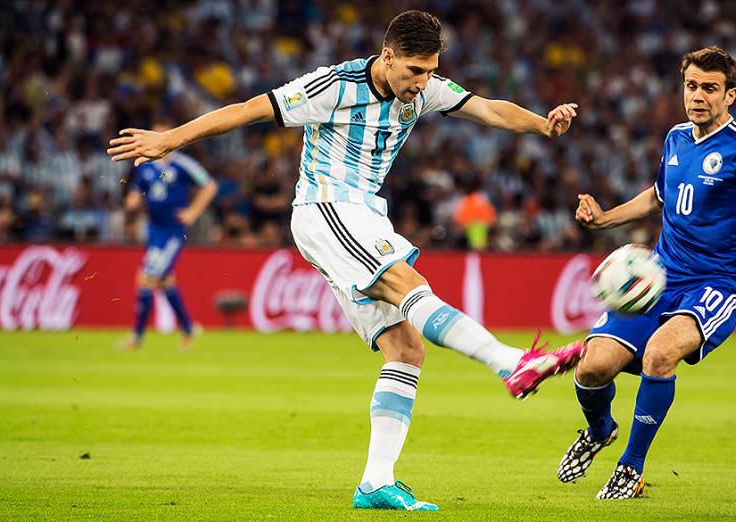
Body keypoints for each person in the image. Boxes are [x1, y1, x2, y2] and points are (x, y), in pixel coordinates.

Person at [108, 10, 583, 511]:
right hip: (326, 207)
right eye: (414, 72)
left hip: (363, 213)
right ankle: (510, 363)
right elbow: (249, 109)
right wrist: (169, 139)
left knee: (405, 350)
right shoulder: (333, 86)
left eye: (430, 71)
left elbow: (487, 110)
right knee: (408, 283)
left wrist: (541, 125)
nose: (422, 84)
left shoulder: (425, 89)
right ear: (387, 57)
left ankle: (376, 482)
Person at [557, 46, 736, 499]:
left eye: (710, 88)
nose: (698, 96)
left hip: (717, 284)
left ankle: (631, 466)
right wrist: (604, 218)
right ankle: (599, 429)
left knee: (659, 356)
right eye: (691, 86)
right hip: (661, 276)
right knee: (592, 369)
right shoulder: (675, 138)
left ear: (731, 95)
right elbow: (659, 195)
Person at [121, 123, 217, 350]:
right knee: (164, 281)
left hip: (173, 231)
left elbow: (209, 186)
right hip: (154, 230)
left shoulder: (183, 164)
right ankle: (188, 329)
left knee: (145, 277)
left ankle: (137, 337)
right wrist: (132, 204)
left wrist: (193, 212)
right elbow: (135, 194)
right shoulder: (145, 166)